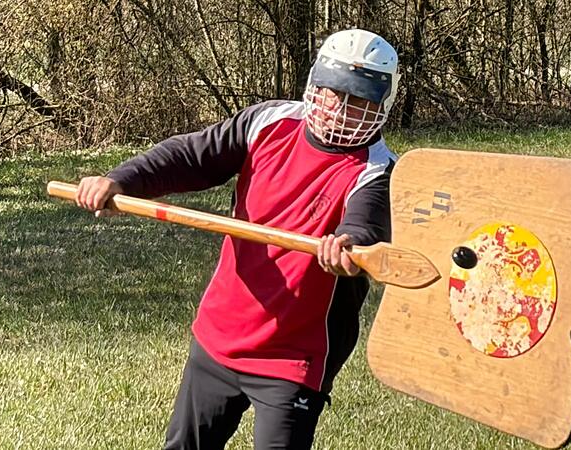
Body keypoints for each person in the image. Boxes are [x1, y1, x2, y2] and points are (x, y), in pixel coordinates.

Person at [75, 28, 401, 450]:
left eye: (357, 101)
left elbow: (366, 224)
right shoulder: (268, 122)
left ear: (381, 106)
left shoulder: (376, 171)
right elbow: (191, 156)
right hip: (219, 339)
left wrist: (349, 244)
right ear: (314, 86)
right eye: (331, 92)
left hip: (293, 361)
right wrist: (122, 179)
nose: (339, 109)